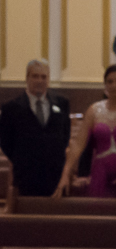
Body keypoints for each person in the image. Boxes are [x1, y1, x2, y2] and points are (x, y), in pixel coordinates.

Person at [55, 65, 116, 199]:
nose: (114, 85)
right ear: (105, 85)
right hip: (102, 174)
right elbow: (78, 144)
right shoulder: (94, 110)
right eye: (110, 81)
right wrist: (65, 174)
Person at [0, 59, 72, 197]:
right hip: (25, 177)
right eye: (35, 76)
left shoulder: (62, 103)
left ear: (48, 79)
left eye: (43, 77)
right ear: (27, 78)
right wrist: (22, 159)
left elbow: (65, 136)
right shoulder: (11, 108)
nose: (40, 80)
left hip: (55, 176)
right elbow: (5, 142)